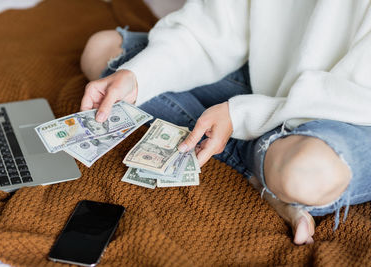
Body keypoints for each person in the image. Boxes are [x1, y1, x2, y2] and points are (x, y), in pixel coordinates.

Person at [79, 0, 371, 245]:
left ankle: (259, 157)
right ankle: (260, 163)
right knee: (105, 51)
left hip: (351, 112)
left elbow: (355, 96)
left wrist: (240, 115)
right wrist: (138, 76)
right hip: (268, 83)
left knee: (305, 173)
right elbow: (211, 31)